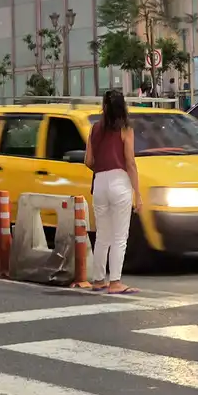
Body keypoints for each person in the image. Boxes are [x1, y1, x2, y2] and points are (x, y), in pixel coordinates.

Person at [84, 90, 141, 295]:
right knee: (119, 236)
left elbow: (88, 161)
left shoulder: (94, 129)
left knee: (102, 235)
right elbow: (130, 163)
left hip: (99, 183)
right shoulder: (126, 129)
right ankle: (115, 282)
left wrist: (102, 169)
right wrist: (138, 194)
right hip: (119, 183)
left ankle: (99, 280)